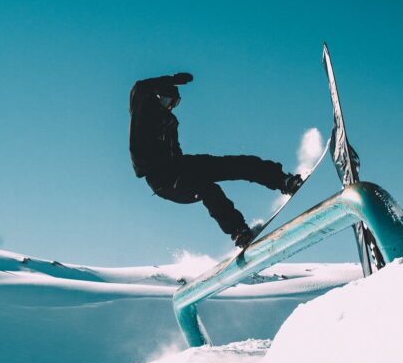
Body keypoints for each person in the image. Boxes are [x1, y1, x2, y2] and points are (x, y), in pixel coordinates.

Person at [129, 72, 302, 248]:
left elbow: (175, 149)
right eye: (168, 101)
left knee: (233, 164)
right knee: (207, 187)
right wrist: (171, 80)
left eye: (175, 103)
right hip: (163, 180)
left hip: (180, 165)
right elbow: (139, 87)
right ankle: (238, 231)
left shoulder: (170, 121)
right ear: (157, 97)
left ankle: (282, 180)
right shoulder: (142, 111)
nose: (171, 107)